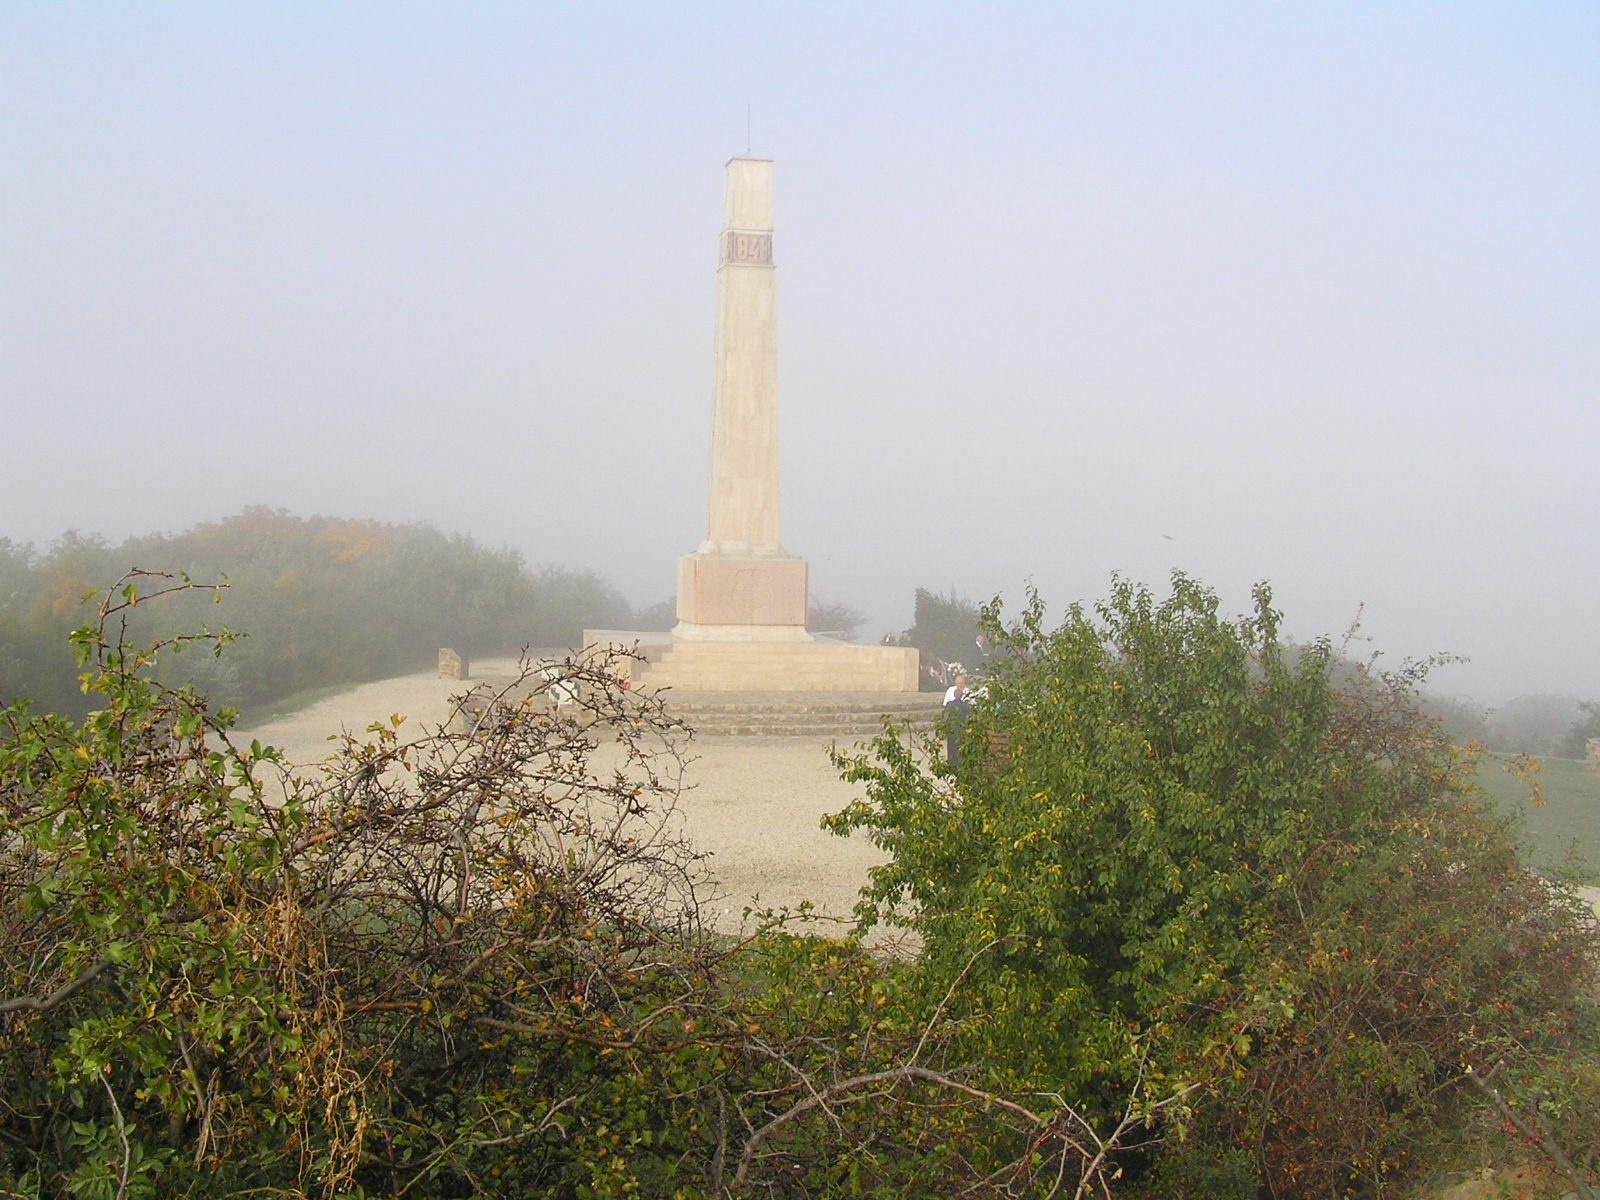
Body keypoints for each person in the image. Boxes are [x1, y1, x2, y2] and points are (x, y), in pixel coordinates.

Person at [942, 674, 971, 769]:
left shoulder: (968, 694)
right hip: (953, 725)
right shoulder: (950, 692)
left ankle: (958, 762)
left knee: (959, 744)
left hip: (961, 726)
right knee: (951, 744)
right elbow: (945, 709)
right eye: (958, 683)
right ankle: (952, 762)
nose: (960, 685)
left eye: (961, 683)